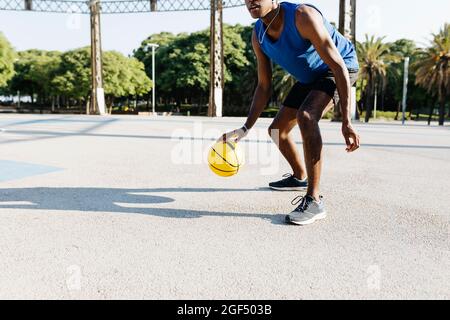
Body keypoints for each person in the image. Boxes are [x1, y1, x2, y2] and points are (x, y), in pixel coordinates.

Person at [221, 0, 361, 226]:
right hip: (310, 78)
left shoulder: (302, 16)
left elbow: (338, 67)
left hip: (339, 68)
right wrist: (245, 128)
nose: (251, 1)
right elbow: (264, 86)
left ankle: (314, 200)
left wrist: (346, 121)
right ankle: (299, 176)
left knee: (307, 116)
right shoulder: (258, 36)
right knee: (277, 130)